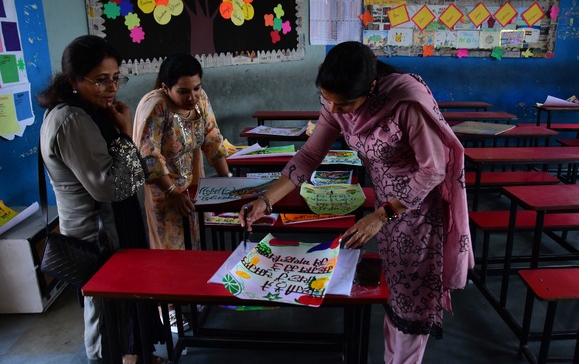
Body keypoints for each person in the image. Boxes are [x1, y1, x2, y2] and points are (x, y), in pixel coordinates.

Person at [240, 41, 474, 364]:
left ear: (372, 87)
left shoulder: (406, 103)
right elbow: (309, 155)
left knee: (411, 305)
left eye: (345, 104)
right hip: (387, 212)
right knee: (394, 297)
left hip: (417, 213)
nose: (334, 111)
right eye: (328, 100)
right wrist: (266, 200)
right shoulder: (338, 103)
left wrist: (381, 216)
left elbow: (433, 169)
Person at [37, 35, 165, 364]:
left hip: (111, 226)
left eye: (115, 77)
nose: (111, 87)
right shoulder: (72, 120)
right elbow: (110, 186)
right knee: (105, 308)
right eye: (100, 80)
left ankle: (134, 355)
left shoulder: (90, 112)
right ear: (73, 81)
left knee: (124, 300)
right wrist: (125, 132)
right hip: (96, 233)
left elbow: (130, 174)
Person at [133, 53, 231, 251]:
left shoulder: (200, 100)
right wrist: (172, 193)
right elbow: (148, 155)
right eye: (183, 91)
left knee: (194, 242)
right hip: (164, 190)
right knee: (171, 250)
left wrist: (228, 181)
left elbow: (211, 137)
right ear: (166, 88)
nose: (192, 96)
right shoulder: (157, 107)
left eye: (196, 88)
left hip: (192, 185)